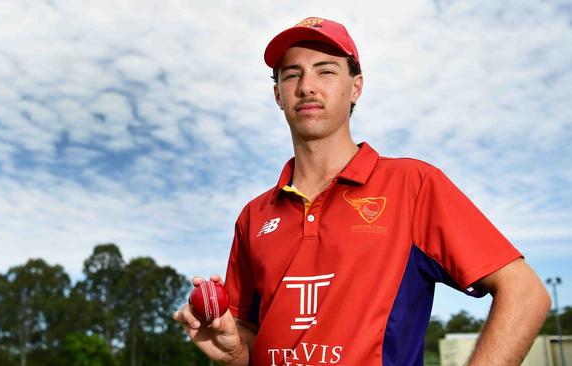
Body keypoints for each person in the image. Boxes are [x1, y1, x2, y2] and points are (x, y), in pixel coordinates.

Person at [174, 16, 551, 366]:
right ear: (278, 95)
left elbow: (525, 293)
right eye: (292, 75)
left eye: (326, 71)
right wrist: (235, 351)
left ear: (356, 87)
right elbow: (253, 342)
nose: (307, 86)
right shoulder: (254, 216)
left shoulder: (412, 185)